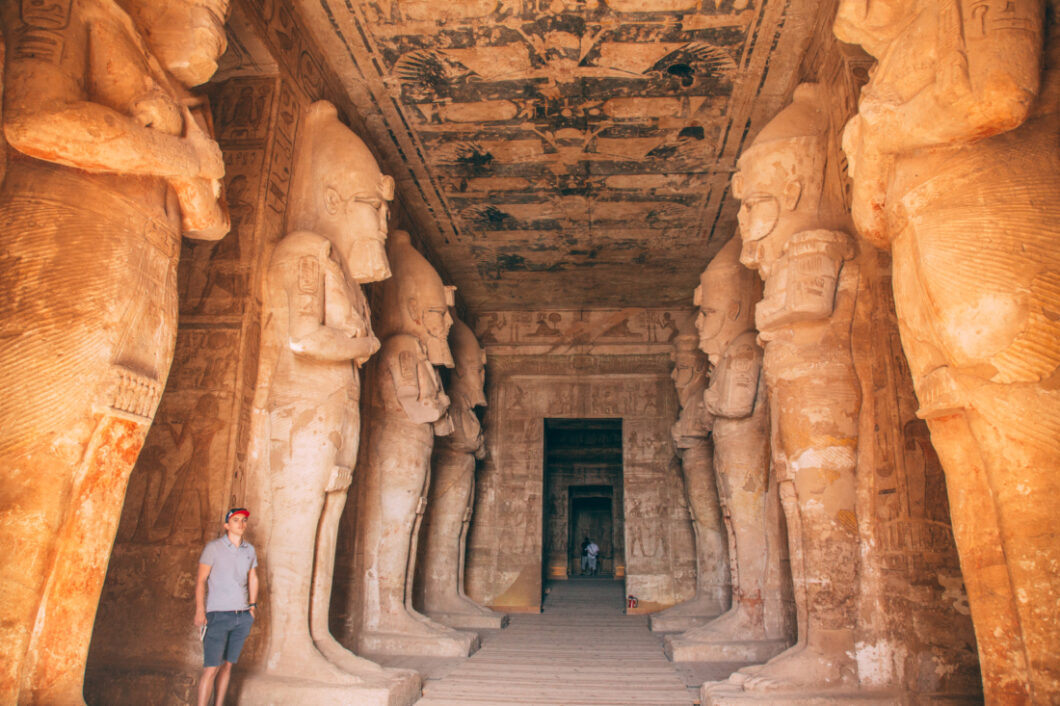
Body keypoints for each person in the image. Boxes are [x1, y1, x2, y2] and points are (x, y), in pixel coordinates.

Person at [195, 508, 259, 706]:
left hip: (241, 615)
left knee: (228, 666)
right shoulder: (213, 548)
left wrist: (252, 607)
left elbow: (253, 577)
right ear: (226, 525)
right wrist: (199, 610)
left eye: (244, 520)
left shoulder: (249, 550)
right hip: (218, 615)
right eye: (236, 520)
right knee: (211, 668)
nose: (241, 524)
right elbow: (200, 580)